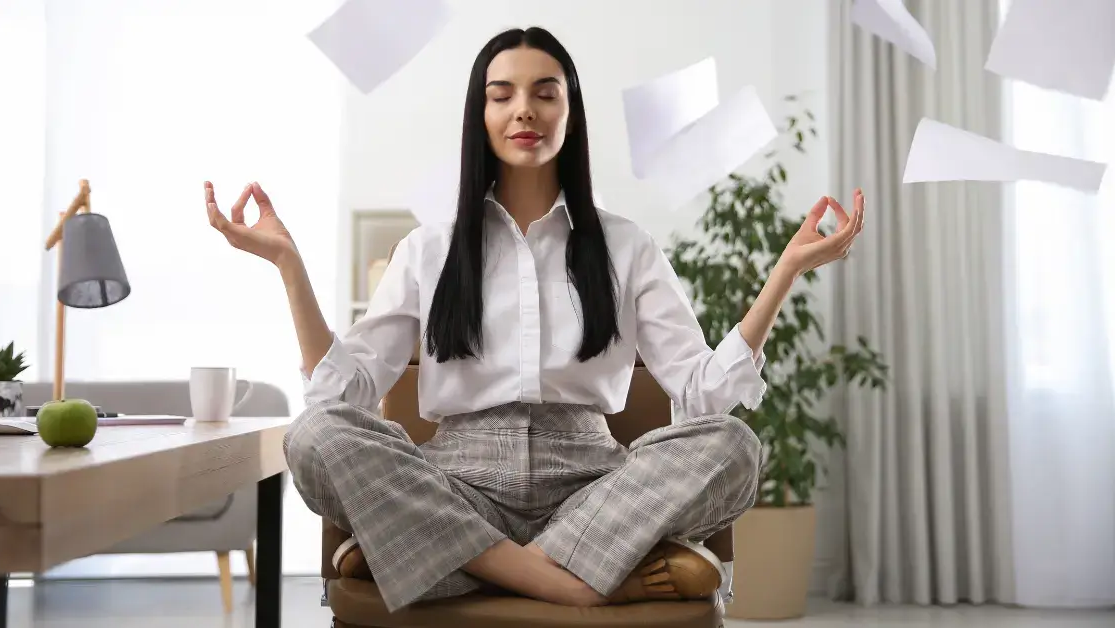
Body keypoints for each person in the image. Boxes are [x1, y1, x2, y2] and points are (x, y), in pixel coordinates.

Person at [205, 26, 864, 614]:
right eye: (502, 94)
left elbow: (705, 399)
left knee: (734, 448)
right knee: (316, 435)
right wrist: (289, 265)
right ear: (480, 114)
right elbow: (339, 397)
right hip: (454, 485)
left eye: (546, 93)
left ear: (570, 113)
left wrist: (785, 274)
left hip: (593, 491)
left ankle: (444, 563)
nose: (525, 108)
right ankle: (570, 579)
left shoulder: (627, 246)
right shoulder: (428, 249)